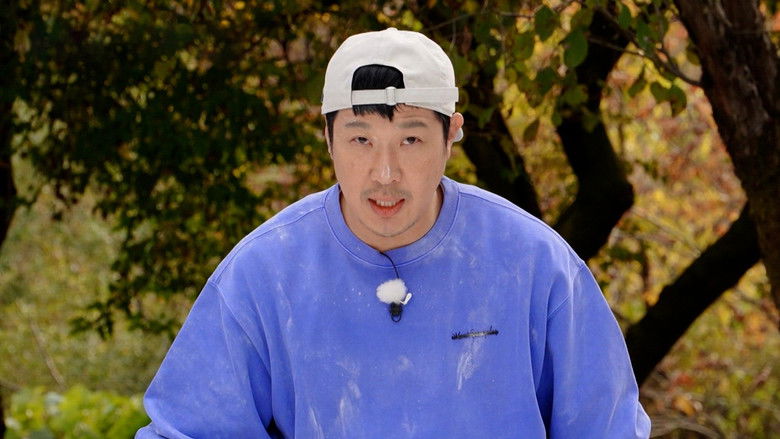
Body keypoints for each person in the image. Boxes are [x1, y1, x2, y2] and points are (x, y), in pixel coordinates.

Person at [136, 27, 651, 438]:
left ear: (452, 135)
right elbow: (186, 429)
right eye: (360, 139)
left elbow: (607, 426)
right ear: (327, 138)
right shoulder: (262, 273)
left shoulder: (535, 263)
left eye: (411, 140)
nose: (385, 173)